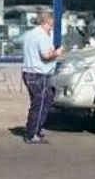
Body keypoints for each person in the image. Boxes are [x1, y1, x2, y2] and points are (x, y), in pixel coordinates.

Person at [21, 11, 62, 145]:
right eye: (51, 25)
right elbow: (46, 55)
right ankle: (32, 133)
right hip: (38, 74)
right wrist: (57, 53)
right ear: (46, 22)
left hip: (29, 72)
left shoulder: (30, 34)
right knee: (40, 104)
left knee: (43, 101)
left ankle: (34, 129)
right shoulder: (42, 35)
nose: (52, 27)